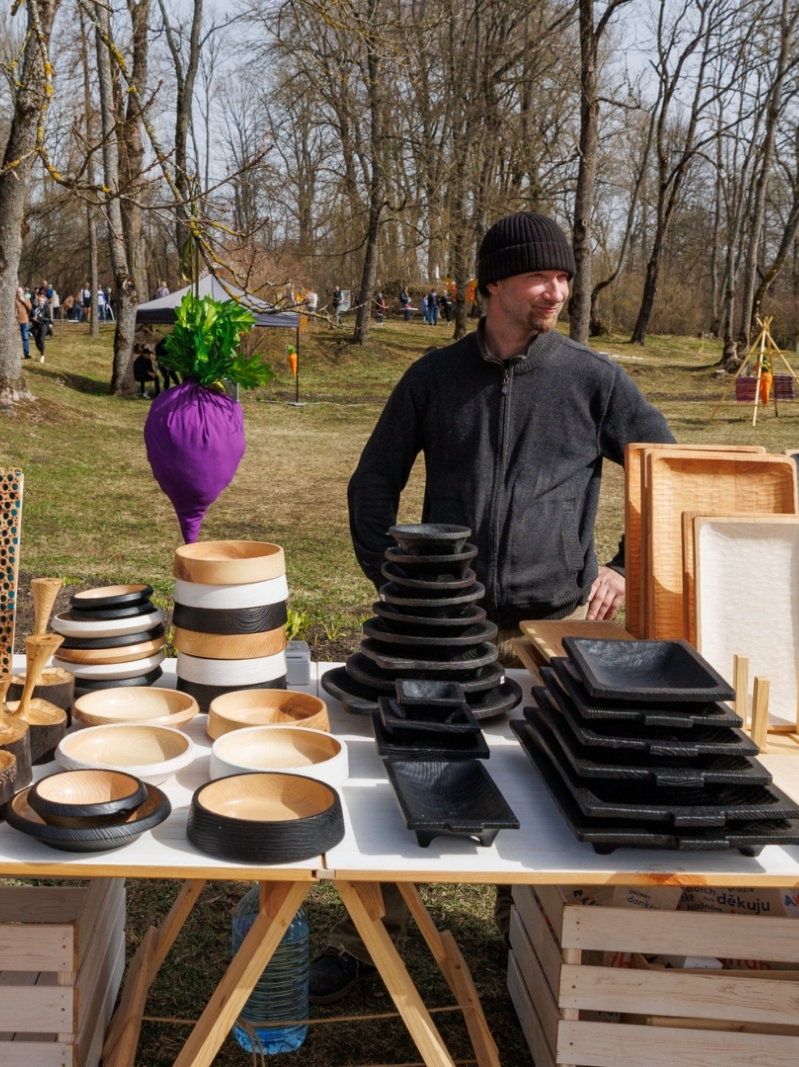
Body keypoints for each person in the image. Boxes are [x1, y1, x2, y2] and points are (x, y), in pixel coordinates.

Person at [311, 212, 677, 1004]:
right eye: (540, 277)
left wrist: (622, 564)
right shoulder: (434, 378)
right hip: (448, 629)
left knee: (544, 780)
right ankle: (368, 935)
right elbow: (372, 483)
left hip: (552, 628)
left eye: (564, 277)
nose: (557, 291)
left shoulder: (595, 379)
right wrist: (405, 591)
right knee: (400, 772)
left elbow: (669, 471)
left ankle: (528, 936)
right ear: (493, 287)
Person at [16, 289, 32, 357]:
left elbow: (30, 308)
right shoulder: (15, 301)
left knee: (25, 338)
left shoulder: (27, 300)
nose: (18, 293)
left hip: (24, 321)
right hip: (17, 322)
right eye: (17, 291)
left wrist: (24, 301)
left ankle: (26, 354)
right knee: (16, 338)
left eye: (19, 291)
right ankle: (16, 354)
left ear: (22, 292)